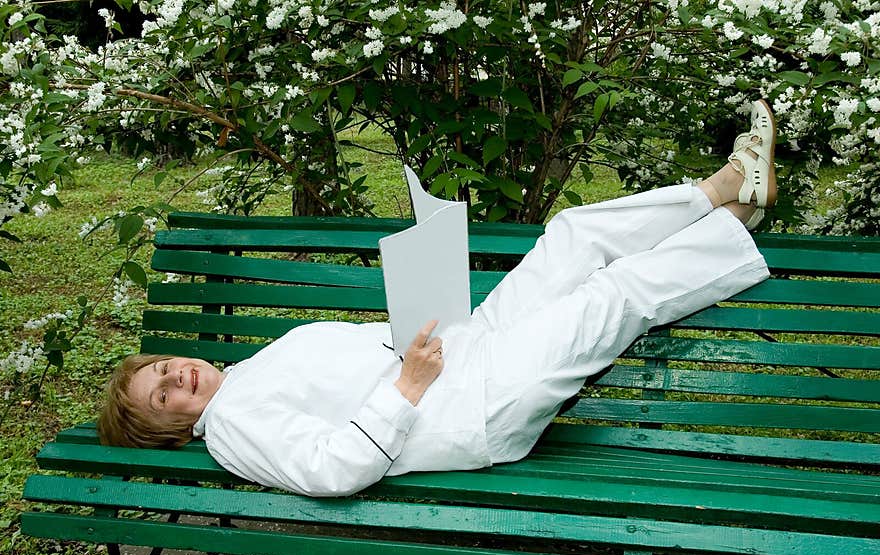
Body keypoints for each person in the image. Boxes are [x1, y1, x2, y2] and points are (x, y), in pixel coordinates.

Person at [99, 99, 778, 497]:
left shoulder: (244, 376)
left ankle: (724, 193)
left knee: (570, 236)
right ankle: (734, 219)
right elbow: (330, 467)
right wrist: (408, 384)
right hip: (474, 408)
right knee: (612, 295)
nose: (176, 379)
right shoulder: (233, 429)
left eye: (162, 369)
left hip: (467, 353)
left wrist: (421, 314)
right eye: (164, 399)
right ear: (172, 426)